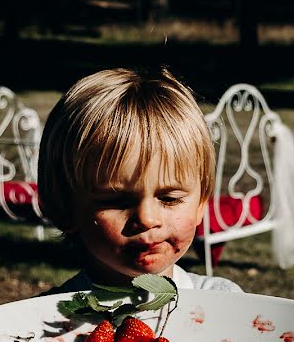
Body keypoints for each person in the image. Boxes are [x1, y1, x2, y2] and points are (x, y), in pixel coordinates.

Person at [37, 67, 243, 294]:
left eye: (169, 198)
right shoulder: (46, 320)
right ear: (63, 206)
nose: (147, 219)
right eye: (118, 201)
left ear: (201, 204)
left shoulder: (223, 302)